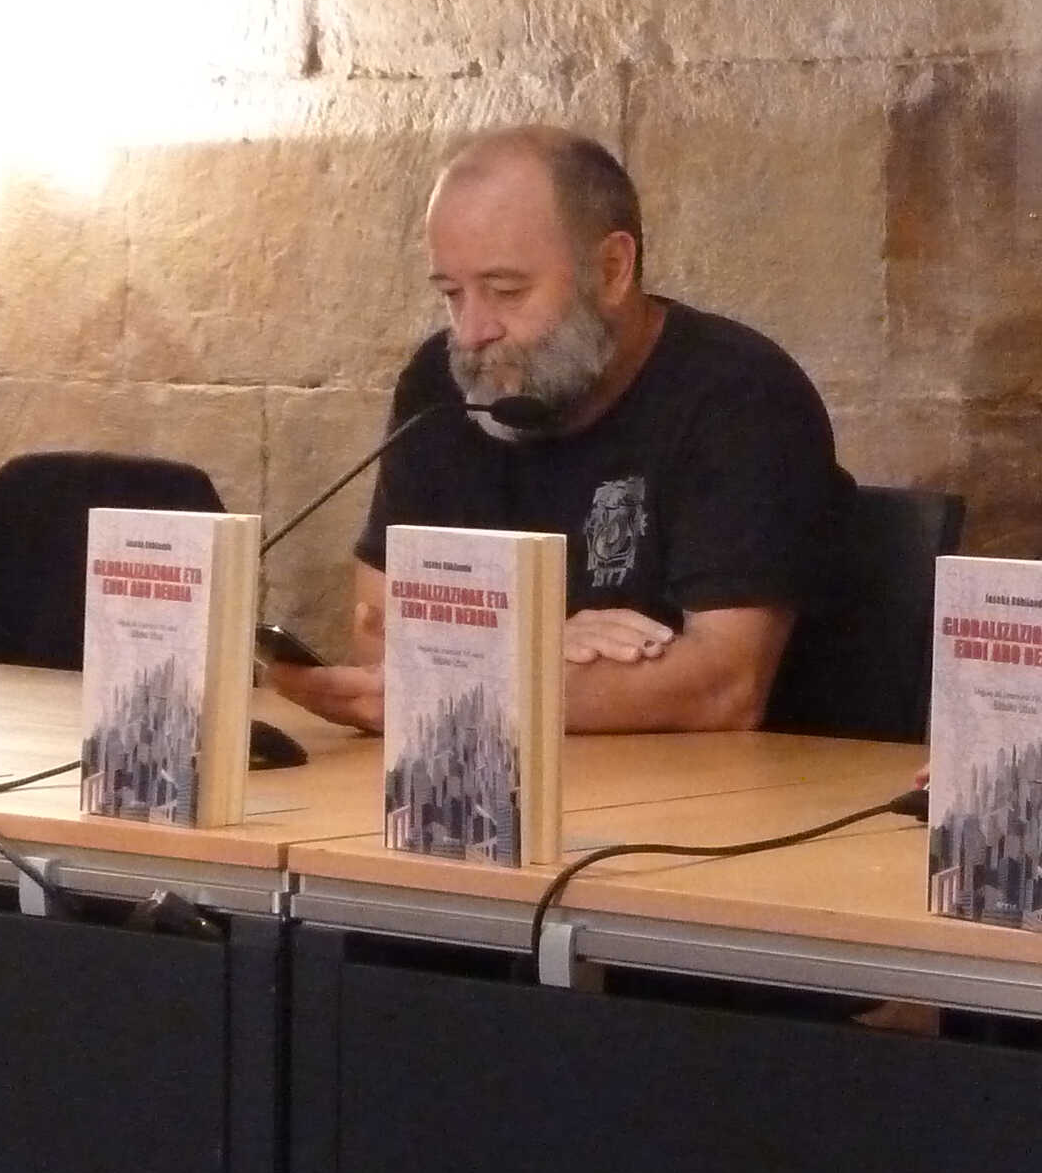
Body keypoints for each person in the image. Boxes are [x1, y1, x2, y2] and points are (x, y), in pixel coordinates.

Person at [265, 126, 852, 735]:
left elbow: (725, 689)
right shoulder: (442, 390)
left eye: (505, 291)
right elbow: (378, 631)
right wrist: (532, 646)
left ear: (612, 269)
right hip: (506, 767)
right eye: (452, 294)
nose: (472, 331)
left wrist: (483, 669)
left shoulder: (739, 395)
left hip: (731, 783)